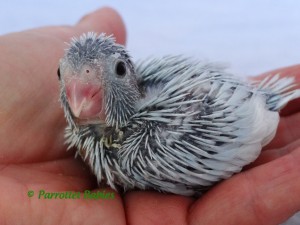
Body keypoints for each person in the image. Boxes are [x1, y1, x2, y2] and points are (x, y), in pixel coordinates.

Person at [0, 7, 299, 225]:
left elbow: (253, 124)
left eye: (117, 70)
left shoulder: (148, 146)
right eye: (63, 76)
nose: (79, 92)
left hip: (246, 108)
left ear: (131, 77)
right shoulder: (88, 137)